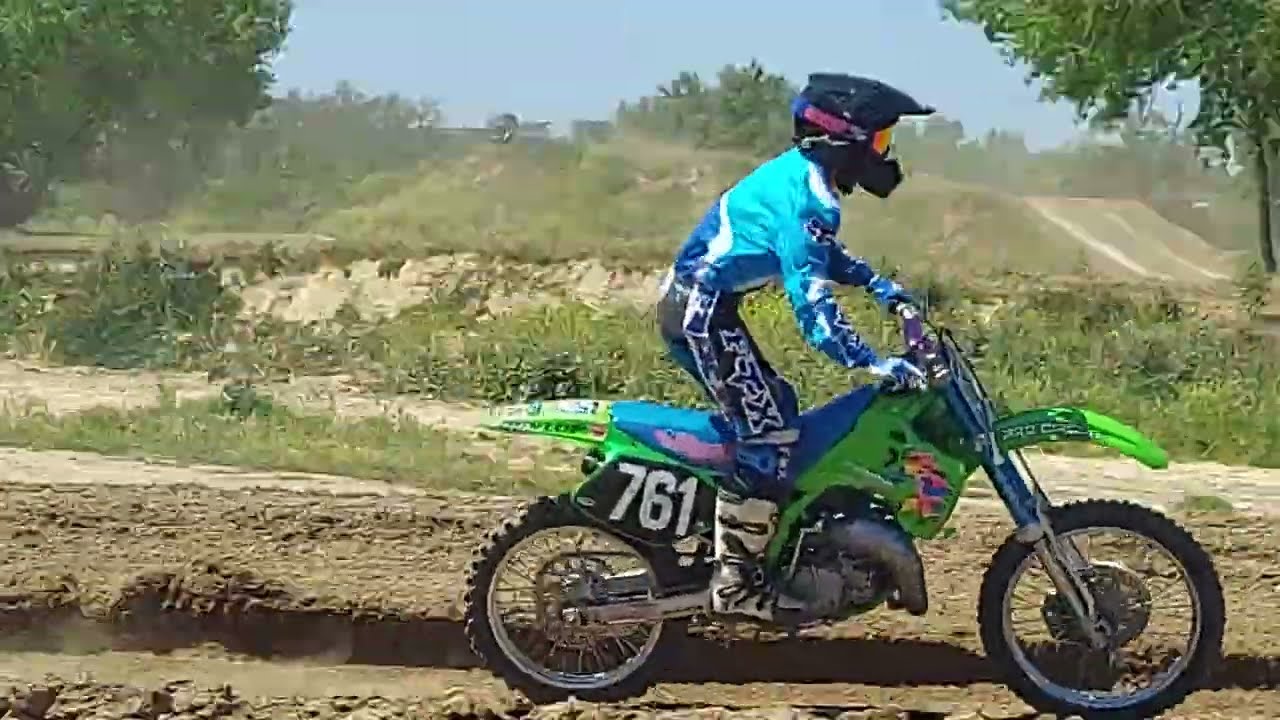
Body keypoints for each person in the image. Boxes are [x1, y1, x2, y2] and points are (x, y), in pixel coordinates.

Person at [654, 72, 935, 622]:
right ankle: (736, 584)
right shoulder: (808, 198)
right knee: (769, 433)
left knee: (778, 407)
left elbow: (824, 256)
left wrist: (884, 290)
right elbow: (813, 307)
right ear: (843, 138)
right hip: (700, 311)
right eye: (879, 140)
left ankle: (765, 542)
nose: (886, 153)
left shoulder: (806, 185)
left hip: (708, 306)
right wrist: (873, 363)